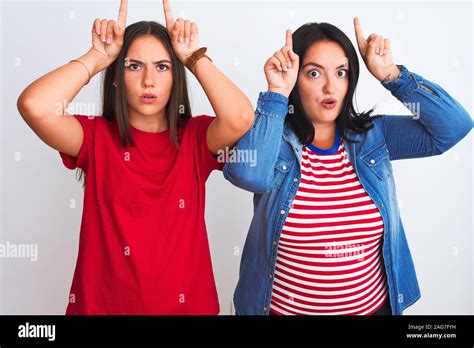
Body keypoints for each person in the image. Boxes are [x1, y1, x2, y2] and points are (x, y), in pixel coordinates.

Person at [16, 0, 254, 314]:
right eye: (133, 65)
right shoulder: (95, 137)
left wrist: (194, 58)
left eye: (162, 66)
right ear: (117, 75)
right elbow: (35, 105)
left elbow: (240, 118)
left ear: (175, 76)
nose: (148, 80)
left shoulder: (196, 139)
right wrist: (97, 58)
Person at [223, 18, 472, 315]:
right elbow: (248, 175)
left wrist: (393, 76)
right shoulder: (272, 139)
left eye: (341, 73)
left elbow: (454, 127)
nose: (330, 86)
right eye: (314, 73)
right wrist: (277, 94)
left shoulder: (375, 136)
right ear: (294, 79)